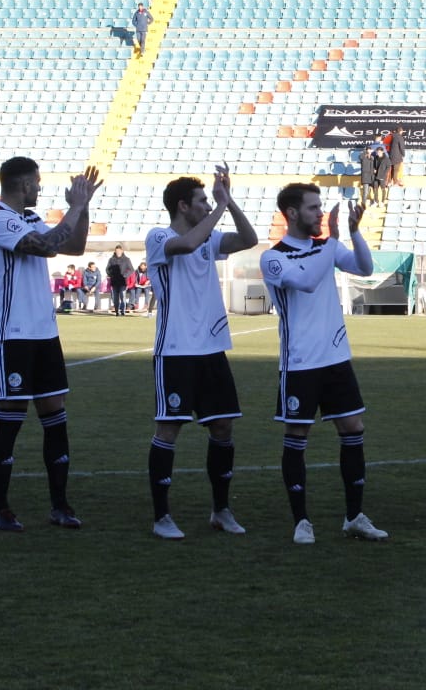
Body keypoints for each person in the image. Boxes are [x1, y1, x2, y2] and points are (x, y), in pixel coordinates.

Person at [260, 183, 388, 545]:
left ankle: (354, 516)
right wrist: (332, 239)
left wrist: (353, 232)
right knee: (297, 435)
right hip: (299, 363)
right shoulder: (273, 256)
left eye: (320, 207)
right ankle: (301, 520)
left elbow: (364, 267)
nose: (319, 213)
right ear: (292, 214)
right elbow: (308, 282)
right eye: (313, 207)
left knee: (353, 428)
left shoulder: (324, 247)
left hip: (335, 359)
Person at [0, 158, 102, 532]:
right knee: (10, 421)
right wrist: (75, 206)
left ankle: (60, 505)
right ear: (22, 184)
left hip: (44, 334)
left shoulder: (28, 218)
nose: (39, 188)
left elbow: (74, 247)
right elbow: (48, 247)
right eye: (36, 183)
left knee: (55, 417)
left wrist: (84, 207)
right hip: (12, 336)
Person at [145, 167, 259, 539]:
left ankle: (221, 510)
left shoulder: (209, 239)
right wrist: (219, 208)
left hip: (211, 349)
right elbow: (188, 244)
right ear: (183, 206)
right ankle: (162, 516)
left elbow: (249, 238)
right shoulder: (159, 236)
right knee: (170, 428)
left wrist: (230, 202)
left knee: (223, 427)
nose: (208, 205)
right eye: (202, 201)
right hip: (176, 350)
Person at [106, 245, 134, 316]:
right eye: (117, 251)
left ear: (122, 251)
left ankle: (123, 311)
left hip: (122, 281)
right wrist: (111, 275)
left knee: (122, 296)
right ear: (115, 251)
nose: (118, 252)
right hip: (114, 281)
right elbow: (107, 269)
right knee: (115, 298)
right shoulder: (111, 259)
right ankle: (116, 311)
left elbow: (131, 269)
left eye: (119, 251)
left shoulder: (127, 259)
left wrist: (125, 275)